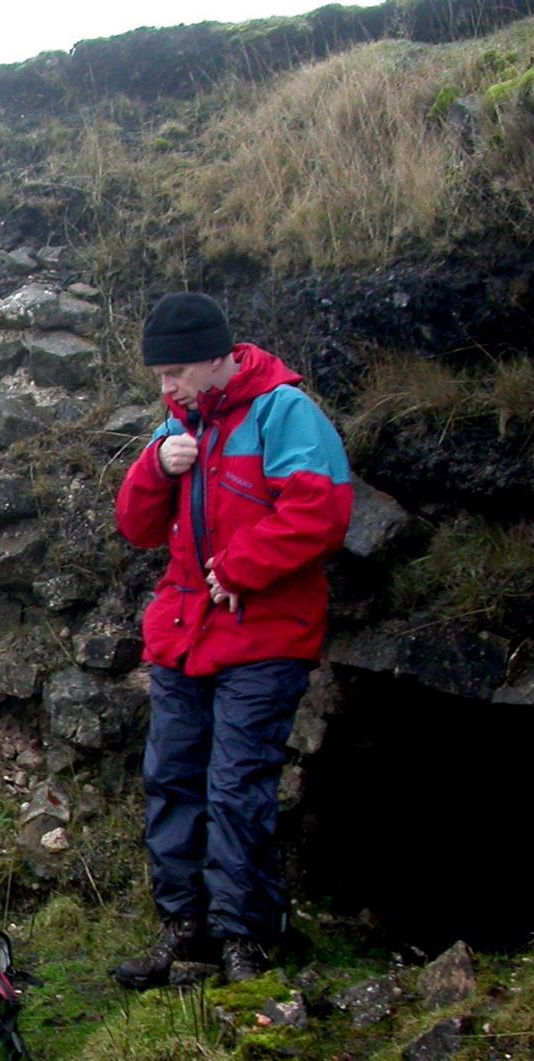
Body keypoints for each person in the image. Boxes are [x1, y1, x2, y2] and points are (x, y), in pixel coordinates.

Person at [111, 293, 353, 988]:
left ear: (219, 357)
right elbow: (136, 525)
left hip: (263, 639)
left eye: (177, 370)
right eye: (160, 374)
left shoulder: (284, 413)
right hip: (185, 638)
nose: (167, 386)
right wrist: (157, 465)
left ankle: (246, 940)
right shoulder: (178, 425)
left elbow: (324, 509)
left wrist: (242, 566)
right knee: (172, 782)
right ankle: (186, 934)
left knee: (236, 789)